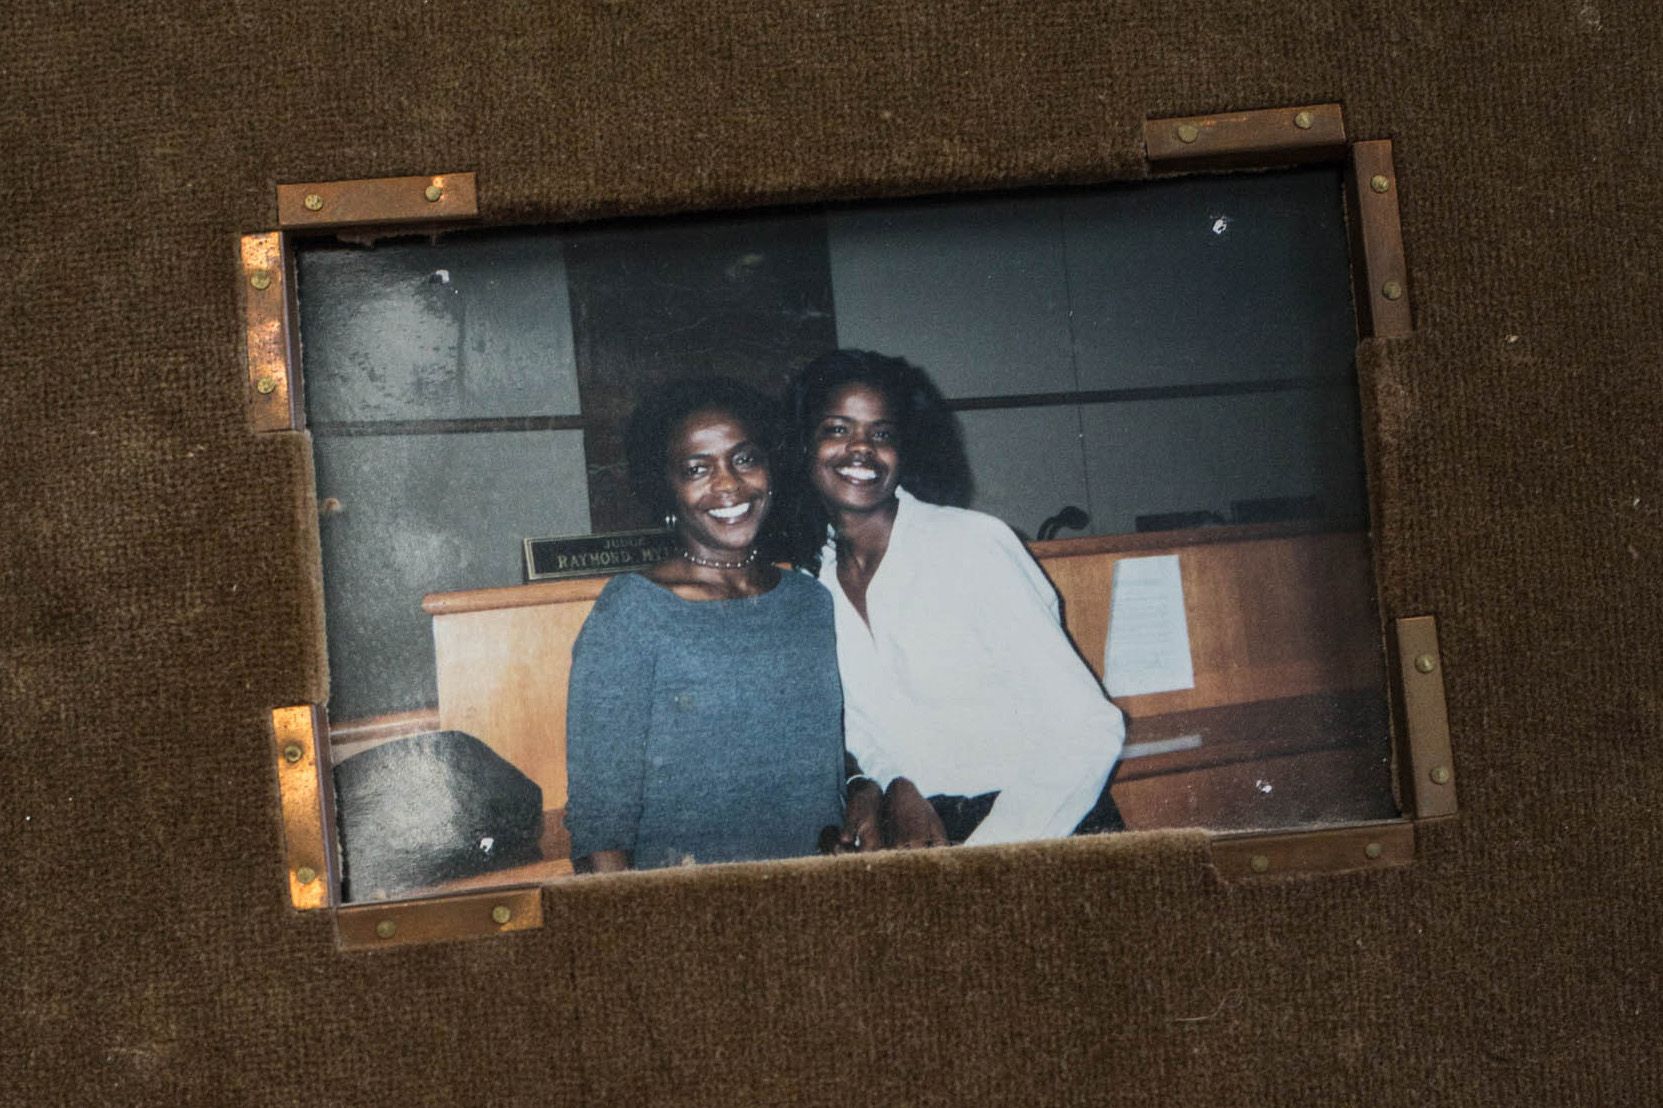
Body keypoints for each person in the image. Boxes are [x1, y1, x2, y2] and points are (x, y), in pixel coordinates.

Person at [786, 349, 1126, 850]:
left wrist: (982, 861)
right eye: (837, 429)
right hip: (927, 831)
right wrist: (887, 784)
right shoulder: (814, 577)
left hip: (1040, 827)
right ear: (803, 444)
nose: (861, 450)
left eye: (881, 434)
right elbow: (865, 729)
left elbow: (1089, 731)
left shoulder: (971, 546)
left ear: (906, 449)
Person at [565, 378, 844, 872]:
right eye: (698, 469)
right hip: (688, 908)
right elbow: (600, 821)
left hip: (820, 893)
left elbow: (833, 752)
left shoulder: (809, 601)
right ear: (665, 487)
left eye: (744, 459)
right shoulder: (634, 611)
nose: (729, 485)